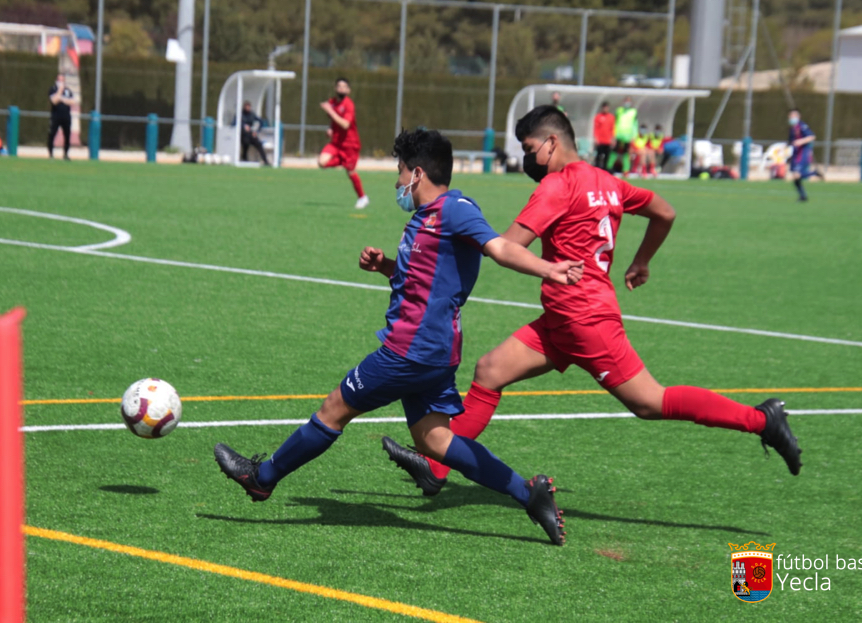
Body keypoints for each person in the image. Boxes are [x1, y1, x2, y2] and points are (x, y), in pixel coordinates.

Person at [382, 106, 803, 499]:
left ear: (550, 143)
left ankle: (763, 420)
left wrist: (445, 244)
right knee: (491, 370)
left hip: (585, 320)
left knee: (649, 403)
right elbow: (665, 212)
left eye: (529, 150)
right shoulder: (608, 181)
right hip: (562, 319)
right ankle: (436, 472)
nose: (528, 159)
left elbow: (507, 246)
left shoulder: (558, 186)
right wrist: (641, 262)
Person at [214, 128, 586, 546]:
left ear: (418, 172)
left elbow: (499, 247)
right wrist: (387, 267)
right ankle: (529, 493)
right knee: (435, 440)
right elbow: (427, 280)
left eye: (399, 171)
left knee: (335, 408)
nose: (396, 181)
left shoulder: (454, 208)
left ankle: (261, 479)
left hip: (411, 350)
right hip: (433, 351)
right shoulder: (426, 219)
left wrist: (549, 268)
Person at [318, 77, 367, 209]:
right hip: (336, 143)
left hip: (350, 144)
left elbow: (345, 124)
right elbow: (333, 121)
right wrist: (330, 128)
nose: (341, 89)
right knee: (322, 162)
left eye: (344, 87)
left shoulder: (348, 104)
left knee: (351, 172)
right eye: (339, 86)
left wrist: (330, 111)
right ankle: (342, 162)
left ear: (348, 90)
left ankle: (362, 197)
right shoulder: (332, 102)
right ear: (335, 88)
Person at [787, 108, 823, 202]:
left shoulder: (802, 126)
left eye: (793, 116)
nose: (791, 118)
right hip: (796, 154)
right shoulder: (792, 128)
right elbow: (791, 141)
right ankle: (803, 196)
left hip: (802, 153)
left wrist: (800, 141)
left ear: (798, 117)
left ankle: (814, 173)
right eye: (790, 116)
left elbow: (812, 136)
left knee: (797, 175)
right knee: (795, 177)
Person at [609, 97, 638, 176]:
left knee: (626, 153)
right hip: (618, 135)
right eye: (626, 101)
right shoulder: (619, 111)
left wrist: (634, 136)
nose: (627, 103)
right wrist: (613, 135)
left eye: (628, 102)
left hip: (628, 136)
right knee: (614, 152)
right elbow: (614, 123)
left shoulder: (633, 112)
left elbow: (635, 125)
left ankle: (626, 170)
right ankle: (609, 168)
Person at [47, 74, 73, 160]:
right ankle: (51, 154)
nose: (61, 82)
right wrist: (60, 91)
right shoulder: (53, 89)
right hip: (55, 116)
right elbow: (54, 101)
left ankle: (65, 154)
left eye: (62, 80)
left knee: (67, 135)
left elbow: (71, 101)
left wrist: (61, 99)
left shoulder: (68, 91)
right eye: (59, 80)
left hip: (66, 117)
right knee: (52, 134)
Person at [239, 101, 270, 165]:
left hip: (251, 133)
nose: (248, 108)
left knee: (259, 144)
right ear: (244, 107)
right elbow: (234, 123)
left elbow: (260, 121)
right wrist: (243, 126)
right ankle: (244, 159)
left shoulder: (252, 114)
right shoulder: (240, 114)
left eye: (249, 107)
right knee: (245, 143)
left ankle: (265, 161)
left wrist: (256, 131)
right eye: (246, 107)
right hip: (242, 134)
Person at [592, 101, 615, 171]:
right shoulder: (598, 117)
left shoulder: (611, 117)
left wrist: (613, 139)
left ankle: (605, 170)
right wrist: (596, 138)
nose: (605, 109)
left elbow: (613, 129)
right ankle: (597, 169)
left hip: (608, 140)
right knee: (599, 156)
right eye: (604, 107)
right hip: (600, 140)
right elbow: (596, 128)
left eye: (607, 108)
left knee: (607, 156)